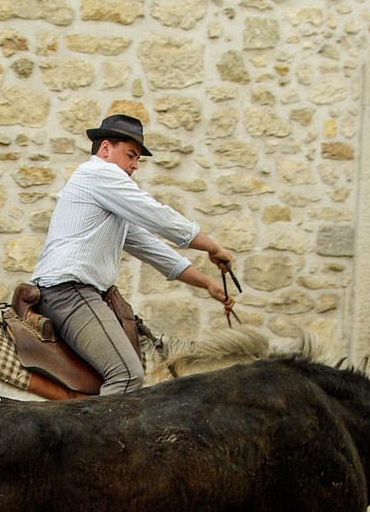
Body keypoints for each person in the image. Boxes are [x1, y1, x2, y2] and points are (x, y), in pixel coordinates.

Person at [29, 113, 237, 394]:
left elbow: (154, 250)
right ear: (105, 148)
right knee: (127, 375)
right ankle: (93, 439)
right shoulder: (99, 174)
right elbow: (160, 218)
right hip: (70, 294)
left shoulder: (106, 198)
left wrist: (208, 284)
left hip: (67, 294)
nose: (135, 165)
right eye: (131, 155)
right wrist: (213, 247)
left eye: (137, 159)